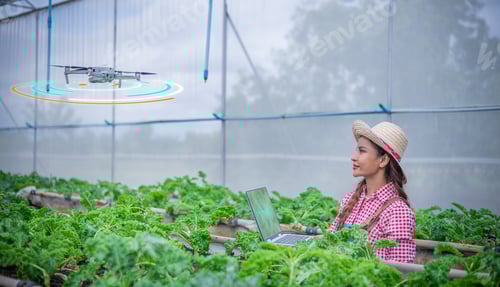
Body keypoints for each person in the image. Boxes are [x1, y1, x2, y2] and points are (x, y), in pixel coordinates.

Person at [329, 120, 416, 263]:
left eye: (362, 151)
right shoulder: (349, 200)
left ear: (383, 160)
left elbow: (400, 273)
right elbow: (328, 244)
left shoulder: (398, 212)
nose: (353, 156)